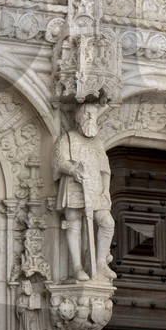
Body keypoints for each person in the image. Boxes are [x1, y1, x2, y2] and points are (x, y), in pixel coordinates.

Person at [54, 101, 114, 281]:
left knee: (107, 222)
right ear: (78, 118)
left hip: (96, 188)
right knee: (74, 224)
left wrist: (105, 191)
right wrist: (72, 170)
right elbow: (60, 161)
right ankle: (77, 267)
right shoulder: (68, 138)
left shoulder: (97, 142)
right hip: (74, 186)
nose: (90, 118)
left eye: (93, 115)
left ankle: (101, 263)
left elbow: (105, 170)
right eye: (87, 114)